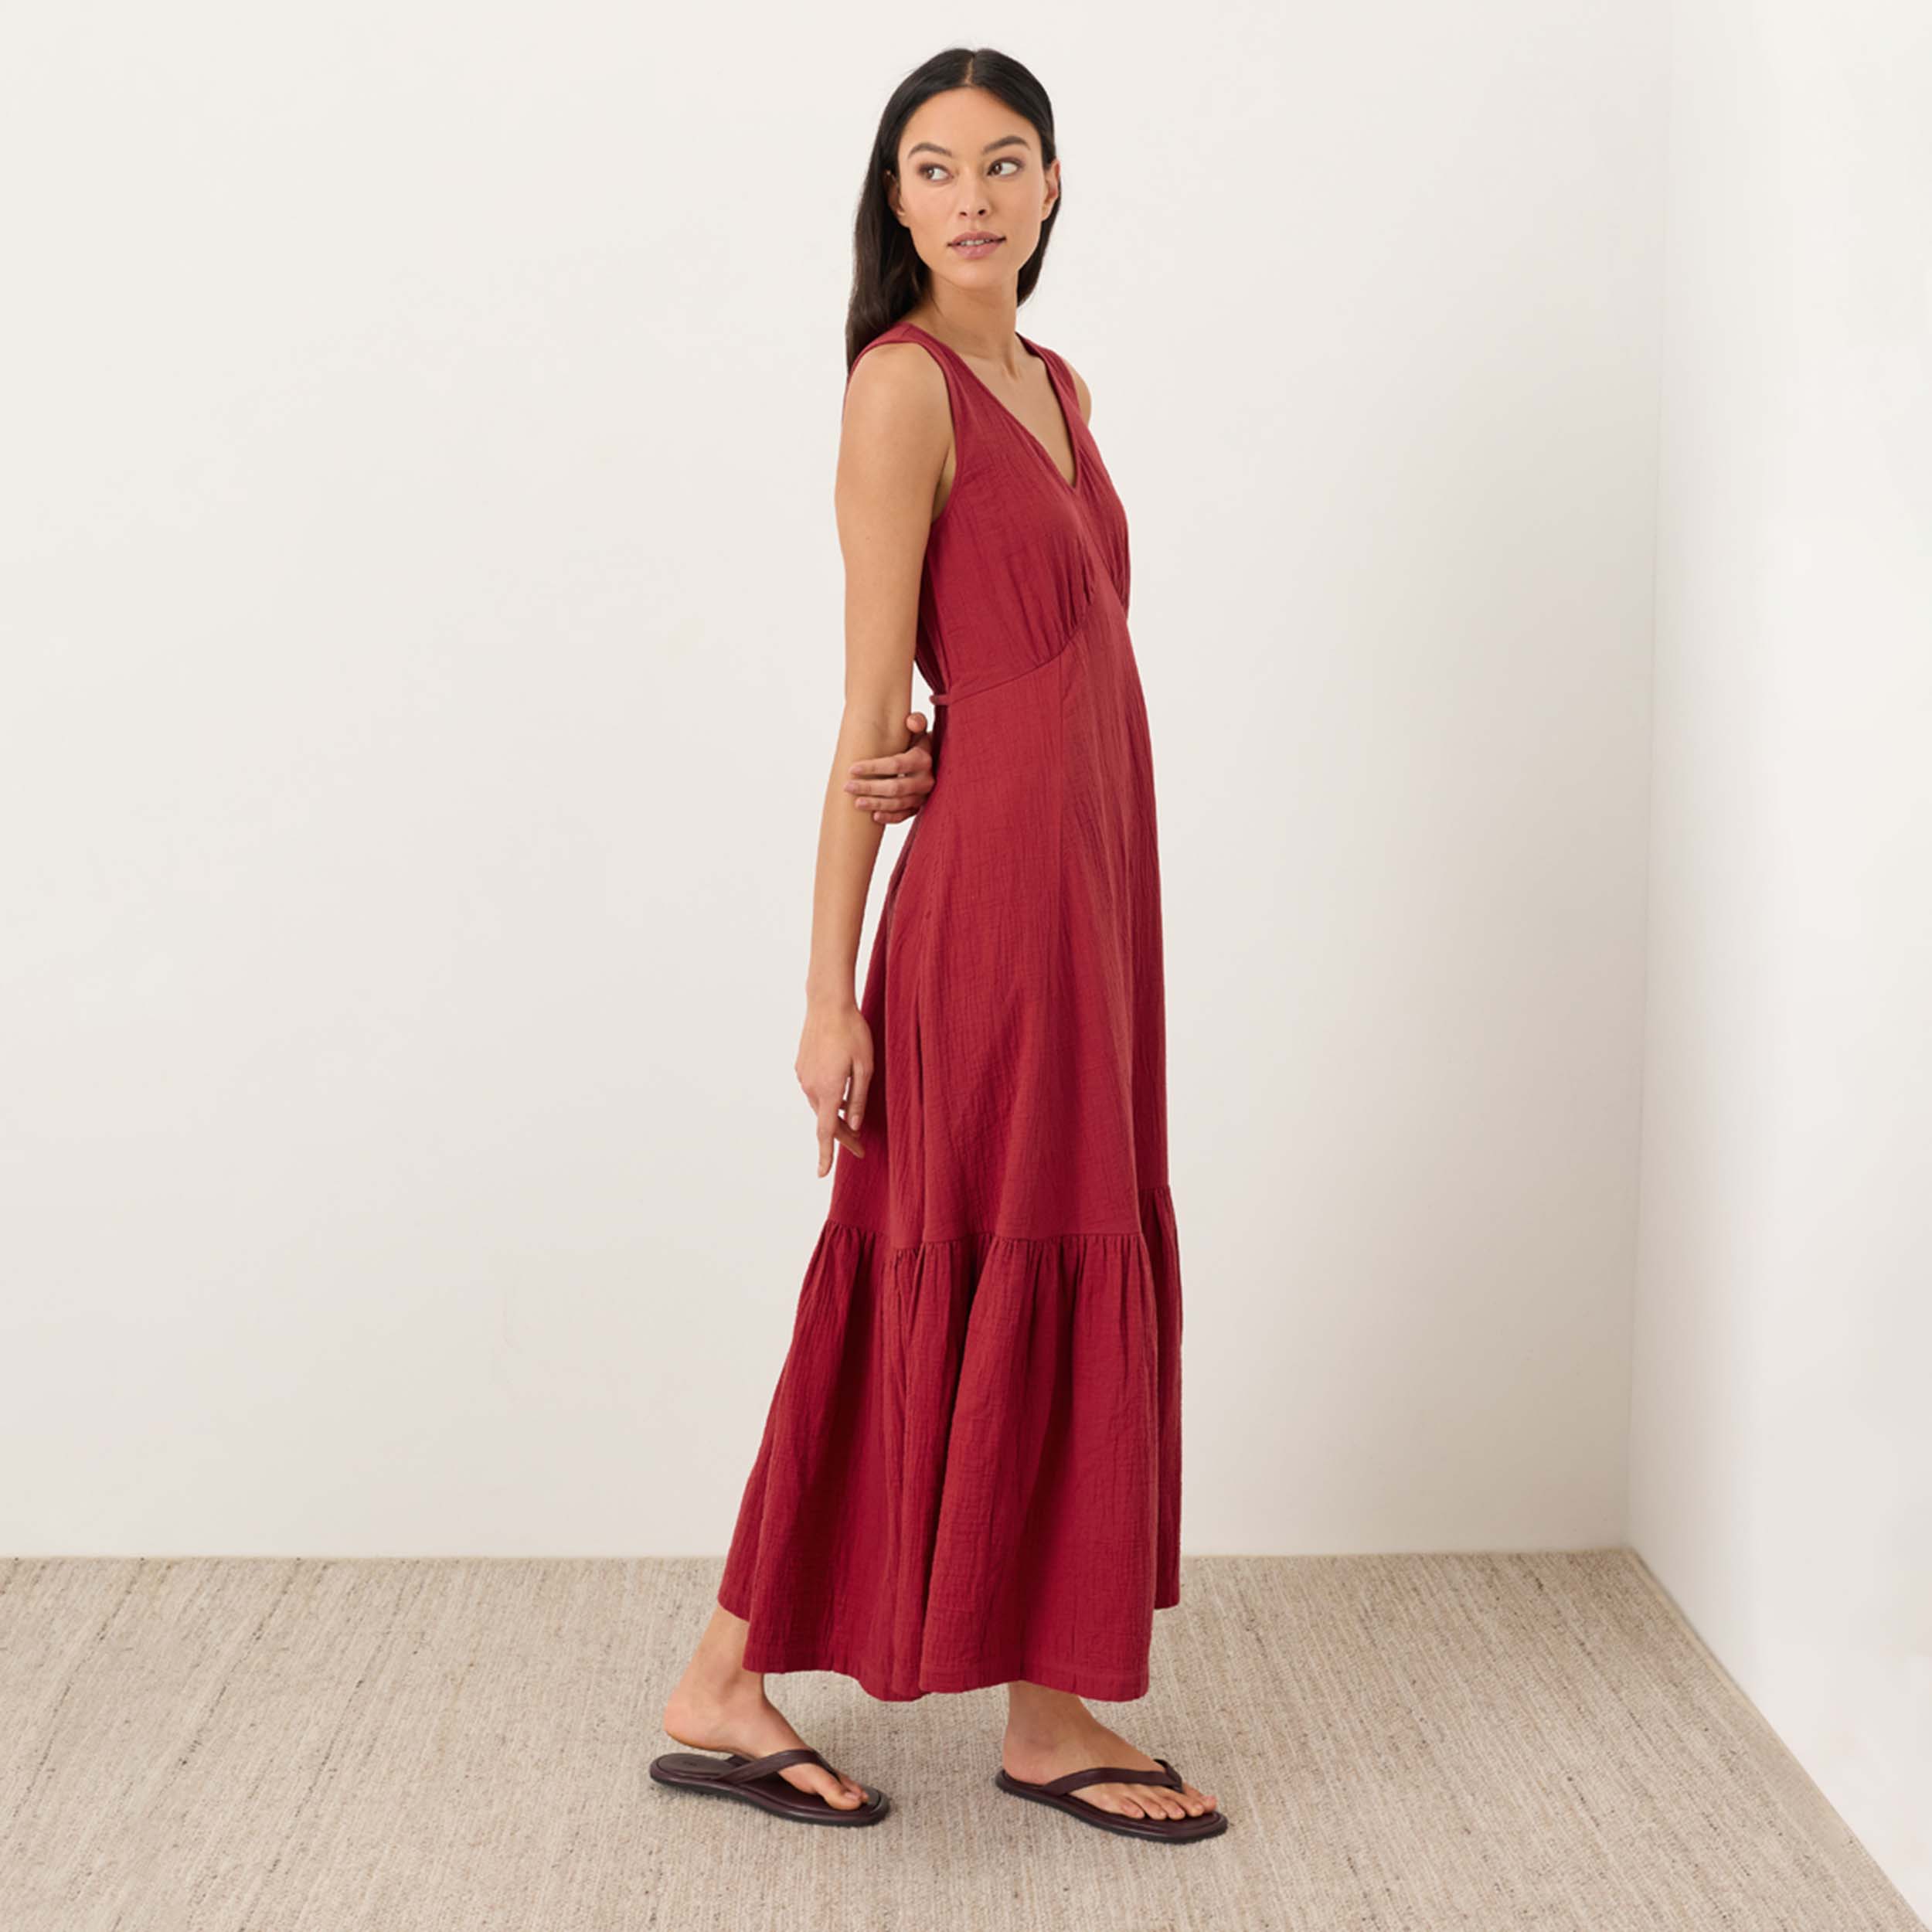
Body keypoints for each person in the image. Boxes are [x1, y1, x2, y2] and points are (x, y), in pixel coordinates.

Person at [651, 48, 1225, 1844]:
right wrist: (827, 995)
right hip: (987, 913)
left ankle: (1046, 1707)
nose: (969, 195)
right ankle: (724, 1679)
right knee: (933, 1255)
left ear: (1052, 187)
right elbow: (866, 717)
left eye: (1002, 160)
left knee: (1055, 1235)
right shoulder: (900, 390)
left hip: (1094, 899)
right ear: (891, 200)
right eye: (932, 165)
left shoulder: (1057, 381)